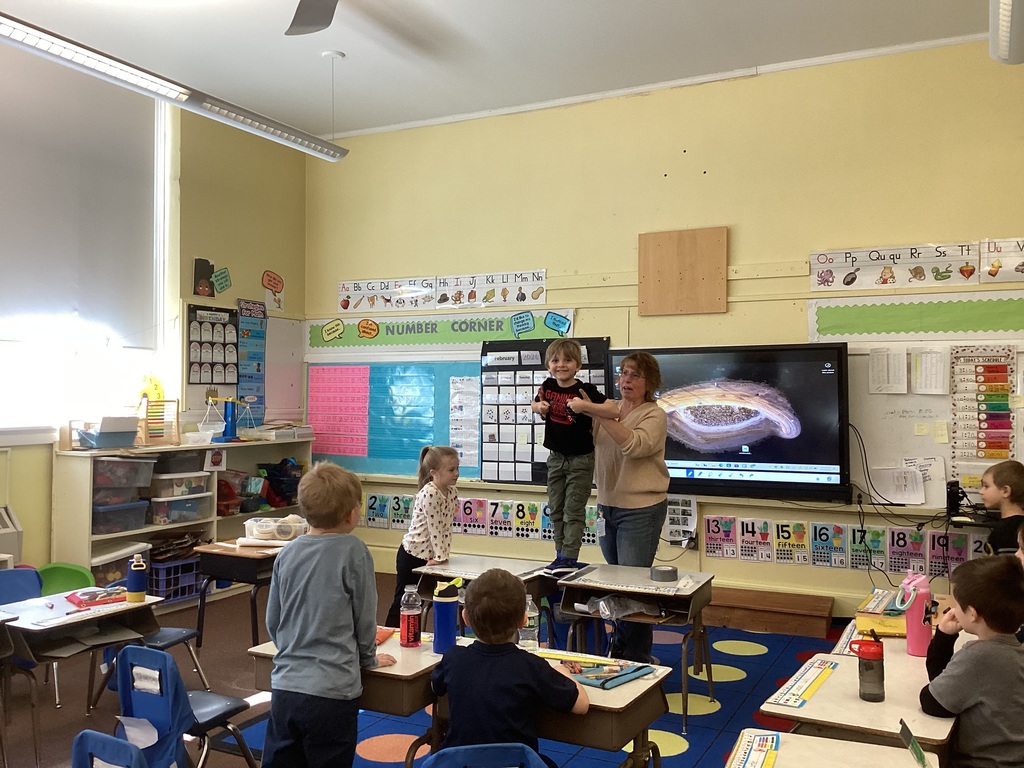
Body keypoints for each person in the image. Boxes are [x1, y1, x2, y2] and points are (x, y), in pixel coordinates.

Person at [262, 462, 396, 768]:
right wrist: (369, 658)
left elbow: (274, 621)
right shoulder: (354, 551)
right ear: (351, 514)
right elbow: (365, 619)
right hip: (332, 692)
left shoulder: (287, 553)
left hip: (286, 687)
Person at [567, 352, 669, 663]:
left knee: (633, 589)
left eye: (634, 375)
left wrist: (597, 413)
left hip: (641, 508)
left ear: (649, 382)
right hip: (606, 507)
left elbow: (634, 446)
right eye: (623, 373)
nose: (625, 380)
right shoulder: (609, 409)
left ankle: (638, 657)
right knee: (616, 587)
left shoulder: (654, 414)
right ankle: (621, 648)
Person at [431, 568, 588, 768]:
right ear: (524, 620)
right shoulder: (530, 666)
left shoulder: (453, 658)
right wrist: (564, 672)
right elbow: (581, 705)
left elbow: (436, 687)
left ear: (465, 618)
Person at [918, 555, 1024, 767]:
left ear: (973, 614)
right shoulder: (1016, 649)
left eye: (957, 605)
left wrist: (943, 637)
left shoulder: (979, 656)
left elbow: (932, 701)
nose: (954, 610)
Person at [532, 338, 607, 577]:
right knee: (556, 508)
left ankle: (569, 556)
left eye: (567, 360)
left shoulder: (585, 390)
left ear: (578, 366)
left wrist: (586, 406)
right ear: (548, 365)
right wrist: (539, 408)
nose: (561, 365)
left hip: (580, 459)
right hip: (555, 458)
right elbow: (534, 403)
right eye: (555, 360)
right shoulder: (547, 385)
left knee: (573, 510)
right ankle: (560, 554)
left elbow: (612, 409)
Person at [385, 445, 461, 627]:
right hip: (412, 555)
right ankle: (390, 634)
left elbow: (446, 528)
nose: (456, 473)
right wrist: (440, 557)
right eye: (451, 470)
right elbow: (434, 529)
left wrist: (442, 557)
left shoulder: (452, 493)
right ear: (434, 473)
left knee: (430, 600)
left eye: (458, 468)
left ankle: (416, 636)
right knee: (404, 600)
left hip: (431, 556)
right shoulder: (429, 493)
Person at [980, 459, 1024, 555]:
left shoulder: (1005, 532)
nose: (981, 491)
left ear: (1005, 491)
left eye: (986, 486)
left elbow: (1005, 568)